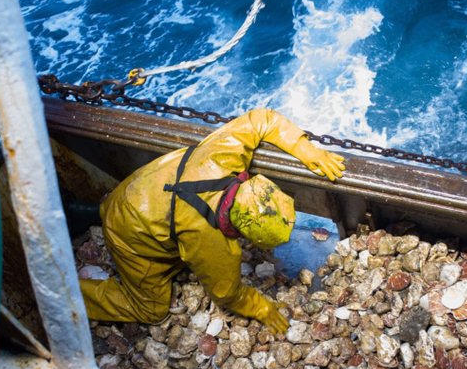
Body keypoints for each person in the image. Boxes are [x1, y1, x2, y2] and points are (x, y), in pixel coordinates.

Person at [79, 108, 345, 334]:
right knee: (151, 309)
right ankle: (67, 295)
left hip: (133, 190)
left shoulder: (223, 156)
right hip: (126, 228)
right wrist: (261, 307)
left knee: (175, 240)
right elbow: (226, 293)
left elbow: (261, 118)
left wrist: (306, 150)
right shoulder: (210, 240)